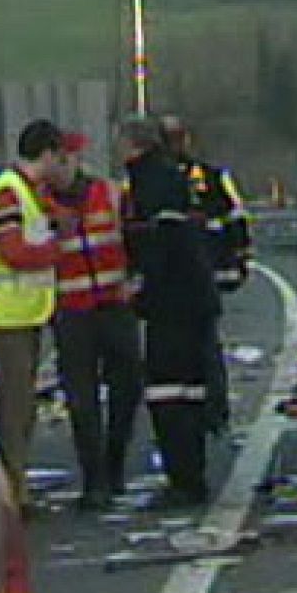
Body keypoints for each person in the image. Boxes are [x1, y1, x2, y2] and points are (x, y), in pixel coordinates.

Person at [118, 115, 221, 508]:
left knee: (168, 392)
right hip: (192, 300)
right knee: (190, 391)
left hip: (171, 306)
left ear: (133, 146)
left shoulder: (150, 183)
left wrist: (140, 288)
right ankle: (190, 475)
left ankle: (184, 480)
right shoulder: (174, 177)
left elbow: (160, 245)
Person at [0, 118, 66, 511]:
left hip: (21, 314)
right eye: (58, 157)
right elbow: (13, 251)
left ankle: (14, 483)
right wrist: (55, 251)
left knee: (21, 403)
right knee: (14, 406)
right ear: (46, 154)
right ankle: (10, 491)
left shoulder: (26, 191)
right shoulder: (8, 193)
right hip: (3, 314)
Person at [46, 131, 144, 510]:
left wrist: (135, 281)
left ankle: (114, 463)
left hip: (114, 304)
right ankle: (95, 478)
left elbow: (132, 241)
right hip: (71, 309)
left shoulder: (109, 194)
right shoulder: (40, 204)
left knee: (128, 384)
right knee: (81, 398)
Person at [160, 114, 252, 434]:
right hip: (180, 280)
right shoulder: (156, 180)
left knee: (203, 347)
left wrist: (237, 263)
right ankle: (198, 412)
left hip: (200, 276)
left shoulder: (211, 178)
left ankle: (211, 411)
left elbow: (236, 220)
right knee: (194, 349)